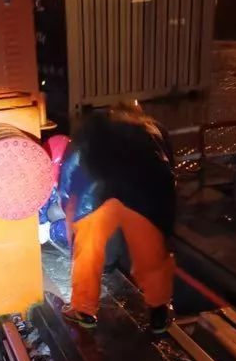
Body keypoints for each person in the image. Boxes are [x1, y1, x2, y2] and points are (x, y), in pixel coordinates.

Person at [57, 103, 176, 334]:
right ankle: (159, 310)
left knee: (88, 252)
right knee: (151, 253)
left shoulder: (89, 130)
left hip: (95, 193)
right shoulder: (153, 129)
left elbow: (70, 170)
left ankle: (83, 310)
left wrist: (67, 202)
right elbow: (167, 165)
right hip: (147, 193)